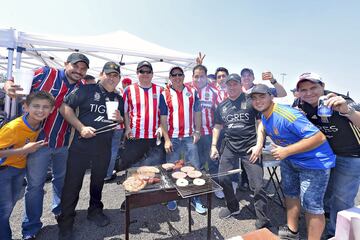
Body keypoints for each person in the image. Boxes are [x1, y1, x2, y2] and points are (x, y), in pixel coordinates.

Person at [3, 52, 90, 240]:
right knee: (35, 187)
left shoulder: (82, 87)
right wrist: (9, 86)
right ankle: (31, 227)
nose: (79, 71)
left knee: (61, 181)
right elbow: (12, 81)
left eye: (83, 69)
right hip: (37, 144)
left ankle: (59, 211)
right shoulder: (45, 73)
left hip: (63, 142)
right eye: (76, 66)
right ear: (66, 63)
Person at [250, 84, 336, 240]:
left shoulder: (287, 114)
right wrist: (259, 143)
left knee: (312, 205)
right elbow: (262, 125)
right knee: (290, 195)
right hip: (289, 160)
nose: (258, 101)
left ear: (271, 96)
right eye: (254, 98)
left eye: (262, 96)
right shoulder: (264, 114)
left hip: (313, 163)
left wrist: (286, 151)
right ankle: (292, 231)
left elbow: (319, 137)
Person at [57, 62, 124, 239]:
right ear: (101, 74)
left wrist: (120, 118)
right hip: (81, 145)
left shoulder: (118, 98)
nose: (112, 78)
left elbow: (120, 121)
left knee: (97, 182)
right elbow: (64, 107)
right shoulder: (87, 89)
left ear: (119, 79)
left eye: (115, 75)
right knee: (73, 184)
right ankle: (66, 222)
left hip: (103, 146)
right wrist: (81, 127)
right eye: (108, 74)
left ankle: (94, 211)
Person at [294, 72, 360, 238]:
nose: (309, 93)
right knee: (325, 193)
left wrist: (348, 111)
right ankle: (328, 221)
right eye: (303, 89)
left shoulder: (339, 100)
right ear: (298, 92)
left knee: (342, 198)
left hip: (350, 155)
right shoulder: (299, 104)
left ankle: (336, 234)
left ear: (322, 87)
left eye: (313, 87)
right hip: (325, 156)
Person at [210, 74, 270, 229]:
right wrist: (213, 146)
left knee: (257, 185)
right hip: (229, 146)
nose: (231, 87)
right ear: (226, 87)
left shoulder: (251, 101)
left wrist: (259, 144)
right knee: (223, 178)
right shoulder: (222, 106)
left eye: (234, 84)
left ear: (240, 85)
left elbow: (260, 123)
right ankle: (232, 207)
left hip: (250, 147)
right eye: (229, 84)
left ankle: (263, 218)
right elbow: (217, 126)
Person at [0, 91, 54, 240]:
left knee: (8, 208)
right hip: (4, 171)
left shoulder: (38, 124)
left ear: (51, 110)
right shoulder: (13, 127)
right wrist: (24, 150)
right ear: (25, 107)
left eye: (45, 107)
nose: (40, 110)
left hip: (18, 170)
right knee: (3, 210)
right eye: (36, 106)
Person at [160, 66, 206, 214]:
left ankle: (195, 197)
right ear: (170, 77)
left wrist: (197, 131)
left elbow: (197, 112)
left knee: (194, 167)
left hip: (188, 137)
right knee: (173, 168)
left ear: (184, 76)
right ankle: (172, 196)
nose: (177, 77)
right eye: (174, 75)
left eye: (180, 74)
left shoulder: (192, 92)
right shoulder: (164, 93)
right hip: (173, 137)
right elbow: (163, 119)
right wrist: (166, 139)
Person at [189, 65, 225, 198]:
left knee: (212, 161)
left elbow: (219, 113)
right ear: (192, 77)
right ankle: (194, 191)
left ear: (207, 77)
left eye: (202, 76)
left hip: (209, 134)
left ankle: (216, 186)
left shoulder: (214, 92)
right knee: (193, 163)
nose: (199, 79)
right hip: (191, 135)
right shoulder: (187, 89)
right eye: (196, 76)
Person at [121, 61, 165, 168]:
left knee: (155, 168)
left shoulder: (160, 90)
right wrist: (127, 128)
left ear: (152, 74)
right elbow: (125, 111)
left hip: (155, 137)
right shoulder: (129, 90)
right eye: (142, 71)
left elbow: (164, 113)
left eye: (148, 71)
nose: (145, 74)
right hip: (135, 136)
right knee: (134, 168)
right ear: (137, 73)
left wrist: (161, 127)